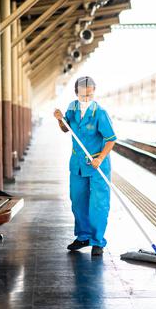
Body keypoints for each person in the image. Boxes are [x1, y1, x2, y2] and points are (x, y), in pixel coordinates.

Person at [54, 76, 117, 256]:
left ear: (94, 93)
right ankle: (83, 237)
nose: (86, 99)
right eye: (83, 96)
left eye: (90, 95)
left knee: (98, 204)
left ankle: (98, 241)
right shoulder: (72, 109)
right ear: (76, 93)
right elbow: (66, 128)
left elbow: (111, 140)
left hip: (97, 165)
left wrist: (100, 158)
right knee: (78, 201)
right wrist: (60, 119)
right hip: (78, 164)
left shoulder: (100, 113)